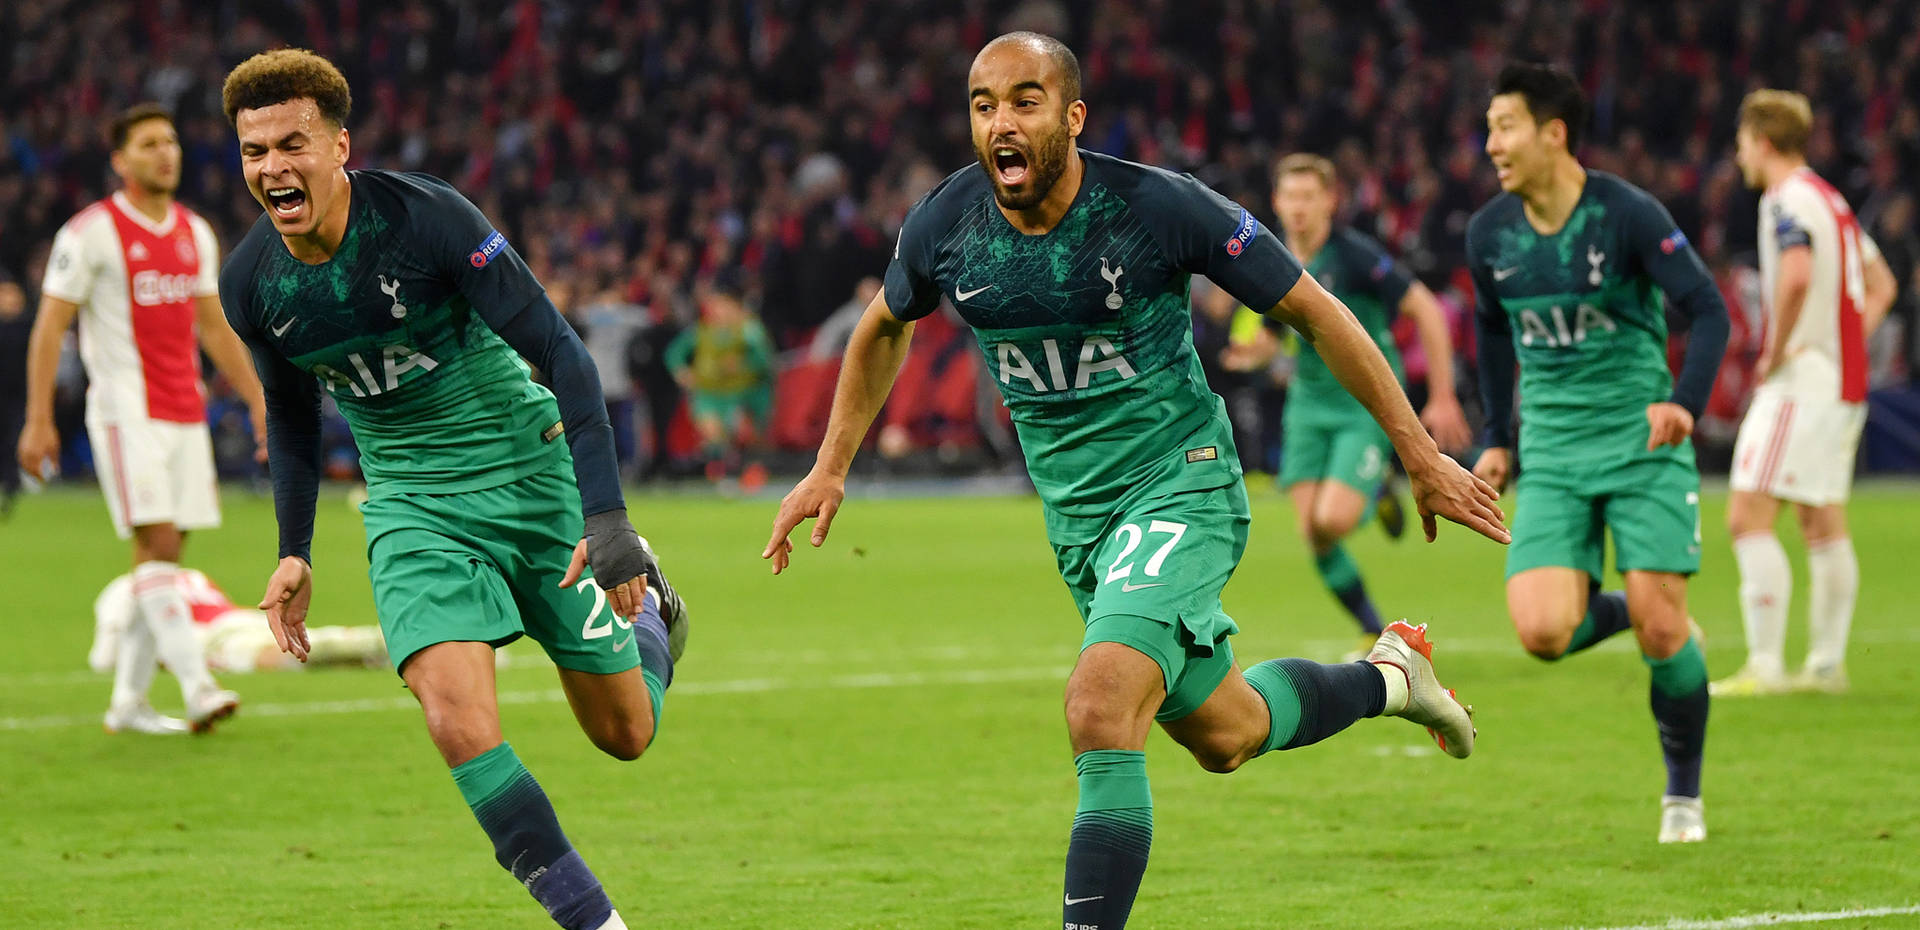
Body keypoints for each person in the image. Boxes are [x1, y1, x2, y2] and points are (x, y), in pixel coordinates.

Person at [764, 33, 1507, 930]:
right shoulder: (945, 226)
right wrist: (830, 466)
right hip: (1081, 524)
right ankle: (1392, 675)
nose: (1001, 121)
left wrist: (1420, 454)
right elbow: (885, 325)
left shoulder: (1159, 208)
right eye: (983, 104)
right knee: (1226, 734)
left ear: (1072, 118)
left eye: (1026, 100)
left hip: (1179, 484)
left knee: (1099, 701)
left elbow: (1314, 310)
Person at [216, 49, 688, 930]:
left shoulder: (427, 221)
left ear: (340, 145)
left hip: (528, 474)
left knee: (625, 733)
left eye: (293, 143)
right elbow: (289, 414)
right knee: (455, 723)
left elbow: (564, 354)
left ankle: (655, 615)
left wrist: (609, 519)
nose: (273, 167)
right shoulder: (251, 282)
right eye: (253, 152)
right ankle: (599, 924)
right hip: (413, 508)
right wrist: (294, 549)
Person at [1467, 63, 1730, 844]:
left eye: (1505, 126)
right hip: (1552, 453)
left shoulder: (1627, 215)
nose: (1492, 145)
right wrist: (1497, 438)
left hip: (1641, 445)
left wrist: (1683, 403)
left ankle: (1682, 795)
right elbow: (1488, 330)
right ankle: (1637, 609)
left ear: (1554, 133)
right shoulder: (1490, 233)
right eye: (1488, 129)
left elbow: (1708, 309)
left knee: (1662, 635)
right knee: (1543, 634)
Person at [15, 103, 261, 735]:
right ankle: (198, 686)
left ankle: (127, 702)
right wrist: (38, 418)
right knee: (155, 542)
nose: (166, 153)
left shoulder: (194, 232)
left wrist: (258, 400)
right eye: (150, 144)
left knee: (167, 552)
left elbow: (212, 326)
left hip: (185, 409)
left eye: (172, 142)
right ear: (121, 162)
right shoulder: (90, 233)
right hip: (127, 410)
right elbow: (50, 327)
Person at [1245, 153, 1473, 658]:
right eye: (1291, 196)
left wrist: (1441, 394)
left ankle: (1378, 489)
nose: (1299, 208)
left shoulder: (1354, 255)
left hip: (1360, 407)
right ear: (1277, 203)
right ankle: (1373, 630)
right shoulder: (1273, 260)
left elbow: (1427, 309)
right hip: (1306, 406)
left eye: (1310, 196)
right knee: (1313, 533)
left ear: (1330, 201)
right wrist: (1250, 353)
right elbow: (1269, 333)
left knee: (1333, 521)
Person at [1712, 90, 1899, 697]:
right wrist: (1840, 340)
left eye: (1742, 141)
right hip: (1841, 381)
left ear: (1761, 141)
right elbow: (1882, 285)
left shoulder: (1784, 198)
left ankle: (1766, 666)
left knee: (1747, 515)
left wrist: (1778, 348)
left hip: (1800, 383)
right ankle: (1824, 666)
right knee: (1822, 522)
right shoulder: (1833, 202)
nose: (1739, 154)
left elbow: (1793, 276)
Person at [91, 569, 386, 687]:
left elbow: (104, 659)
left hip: (208, 638)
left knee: (281, 655)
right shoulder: (187, 574)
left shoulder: (124, 589)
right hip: (239, 617)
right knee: (308, 640)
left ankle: (380, 645)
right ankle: (380, 646)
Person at [666, 273, 775, 485]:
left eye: (722, 306)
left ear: (734, 306)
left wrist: (743, 365)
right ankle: (720, 475)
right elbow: (674, 353)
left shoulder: (748, 331)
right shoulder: (702, 330)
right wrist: (681, 371)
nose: (718, 311)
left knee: (743, 434)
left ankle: (745, 472)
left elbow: (765, 361)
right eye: (714, 306)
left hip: (740, 394)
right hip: (708, 392)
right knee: (713, 434)